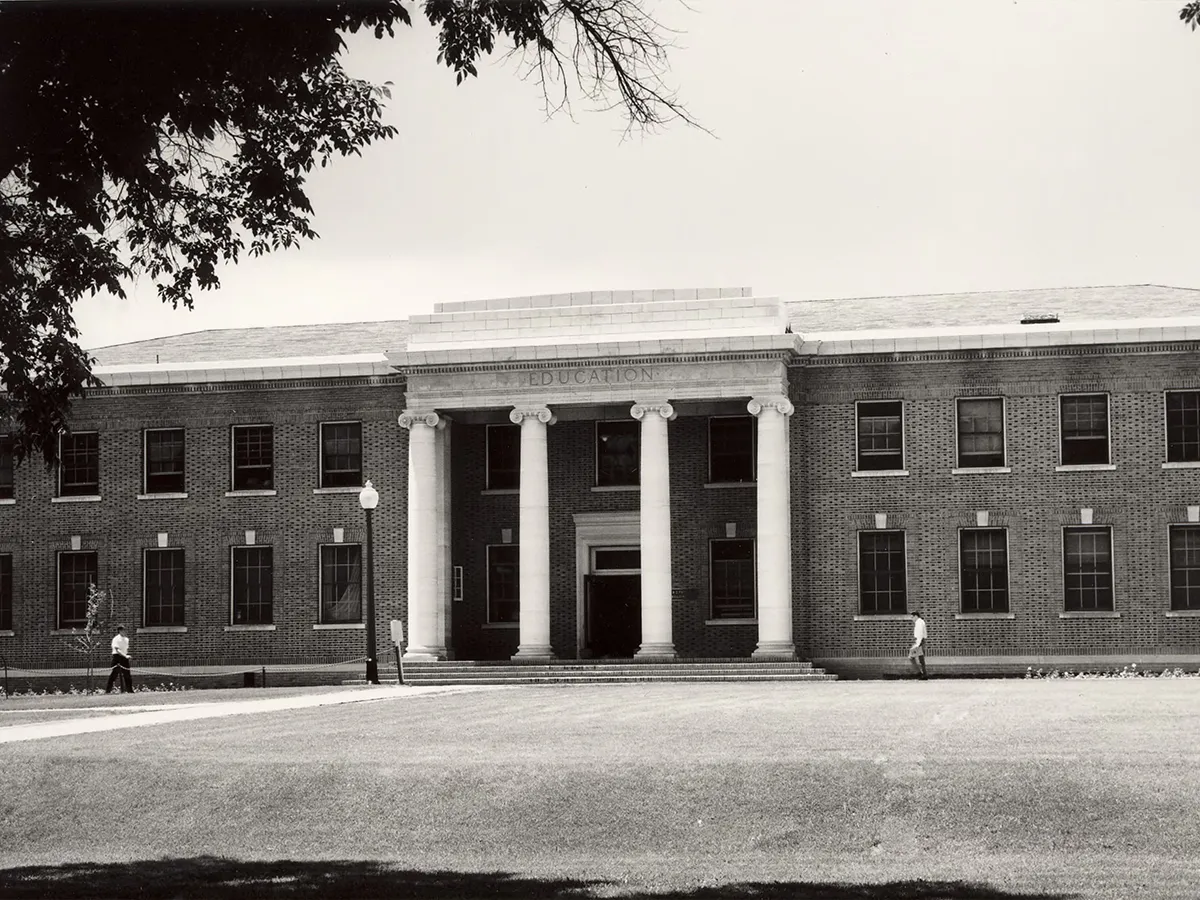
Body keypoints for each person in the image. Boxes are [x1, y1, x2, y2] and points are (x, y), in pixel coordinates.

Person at [105, 625, 133, 693]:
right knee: (114, 675)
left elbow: (125, 649)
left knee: (127, 675)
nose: (125, 632)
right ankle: (108, 691)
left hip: (124, 657)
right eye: (123, 630)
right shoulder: (116, 639)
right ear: (119, 631)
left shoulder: (126, 639)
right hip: (117, 657)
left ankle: (130, 691)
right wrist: (125, 656)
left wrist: (126, 656)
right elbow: (117, 650)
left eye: (125, 630)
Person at [908, 611, 927, 679]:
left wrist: (917, 645)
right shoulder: (920, 622)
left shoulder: (919, 623)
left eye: (912, 617)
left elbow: (920, 634)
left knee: (911, 657)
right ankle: (923, 674)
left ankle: (920, 674)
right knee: (920, 659)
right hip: (920, 642)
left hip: (920, 642)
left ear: (916, 616)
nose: (911, 619)